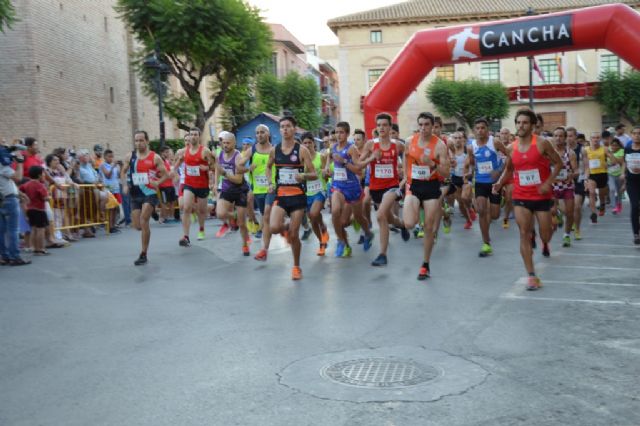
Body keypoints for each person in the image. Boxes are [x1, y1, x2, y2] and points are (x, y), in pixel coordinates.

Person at [493, 109, 563, 291]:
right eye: (518, 122)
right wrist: (500, 184)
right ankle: (531, 275)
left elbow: (559, 163)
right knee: (523, 233)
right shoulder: (512, 148)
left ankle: (548, 231)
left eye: (524, 123)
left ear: (532, 126)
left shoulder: (542, 144)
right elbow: (509, 170)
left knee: (546, 235)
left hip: (541, 196)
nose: (520, 126)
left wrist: (548, 182)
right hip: (521, 196)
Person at [266, 116, 317, 280]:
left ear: (294, 129)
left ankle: (296, 266)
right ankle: (287, 226)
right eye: (282, 127)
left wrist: (304, 176)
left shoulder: (302, 150)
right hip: (281, 195)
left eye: (288, 126)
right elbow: (268, 167)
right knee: (274, 227)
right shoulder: (275, 150)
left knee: (294, 235)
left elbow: (314, 174)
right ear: (279, 130)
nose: (285, 129)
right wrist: (269, 182)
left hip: (297, 197)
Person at [402, 112, 450, 280]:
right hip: (414, 185)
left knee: (429, 228)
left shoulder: (440, 146)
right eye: (420, 124)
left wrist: (432, 164)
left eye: (427, 125)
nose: (423, 128)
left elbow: (446, 172)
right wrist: (405, 178)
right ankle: (415, 220)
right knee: (408, 223)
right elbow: (405, 159)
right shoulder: (409, 141)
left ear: (432, 125)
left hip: (431, 187)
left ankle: (425, 264)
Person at [359, 113, 409, 266]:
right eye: (379, 125)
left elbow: (408, 156)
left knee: (380, 216)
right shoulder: (370, 145)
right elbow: (360, 164)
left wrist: (405, 174)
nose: (381, 128)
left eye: (384, 125)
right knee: (389, 217)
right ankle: (402, 225)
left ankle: (382, 255)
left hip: (392, 186)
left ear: (390, 127)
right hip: (375, 188)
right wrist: (372, 158)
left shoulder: (397, 145)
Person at [120, 130, 169, 265]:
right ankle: (152, 213)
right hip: (135, 193)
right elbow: (123, 172)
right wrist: (124, 185)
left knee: (143, 220)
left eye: (141, 140)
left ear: (147, 141)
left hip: (149, 192)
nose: (138, 143)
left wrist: (158, 182)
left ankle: (143, 254)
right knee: (137, 226)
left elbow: (166, 174)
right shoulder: (130, 156)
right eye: (136, 140)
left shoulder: (155, 157)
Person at [327, 121, 374, 258]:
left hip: (352, 188)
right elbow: (329, 162)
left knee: (359, 216)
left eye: (341, 132)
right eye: (337, 132)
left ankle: (368, 233)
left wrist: (344, 162)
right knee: (335, 212)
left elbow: (359, 170)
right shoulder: (333, 147)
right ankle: (341, 241)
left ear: (347, 134)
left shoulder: (351, 149)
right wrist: (326, 169)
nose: (339, 135)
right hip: (338, 186)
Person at [467, 117, 507, 257]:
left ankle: (500, 200)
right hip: (480, 182)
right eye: (477, 128)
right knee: (482, 211)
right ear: (474, 130)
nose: (480, 131)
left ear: (487, 129)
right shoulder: (471, 146)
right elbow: (472, 164)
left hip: (495, 183)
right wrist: (469, 175)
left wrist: (500, 171)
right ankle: (486, 243)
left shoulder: (494, 142)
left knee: (495, 216)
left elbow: (509, 157)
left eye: (483, 128)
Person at [174, 127, 216, 246]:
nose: (193, 137)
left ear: (199, 136)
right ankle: (186, 236)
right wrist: (173, 172)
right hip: (189, 184)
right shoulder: (183, 152)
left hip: (202, 185)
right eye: (191, 134)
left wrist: (207, 168)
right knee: (186, 208)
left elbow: (214, 166)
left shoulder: (205, 151)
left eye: (195, 134)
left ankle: (201, 229)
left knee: (201, 211)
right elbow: (176, 164)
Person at [0, 142, 30, 265]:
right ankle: (15, 257)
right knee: (13, 229)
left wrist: (20, 194)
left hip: (2, 199)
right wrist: (20, 162)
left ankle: (5, 256)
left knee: (2, 231)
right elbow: (18, 177)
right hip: (8, 200)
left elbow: (7, 184)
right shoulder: (3, 167)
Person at [300, 132, 330, 256]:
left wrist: (325, 174)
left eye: (309, 143)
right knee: (313, 219)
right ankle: (321, 242)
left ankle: (322, 227)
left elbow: (326, 175)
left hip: (320, 190)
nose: (307, 145)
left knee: (313, 214)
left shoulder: (320, 156)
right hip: (307, 192)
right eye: (305, 143)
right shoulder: (301, 160)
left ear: (314, 144)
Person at [250, 124, 275, 261]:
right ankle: (283, 227)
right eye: (257, 132)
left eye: (262, 132)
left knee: (266, 217)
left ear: (268, 134)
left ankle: (264, 250)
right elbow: (239, 166)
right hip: (258, 189)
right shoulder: (252, 149)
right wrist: (249, 167)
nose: (259, 135)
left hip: (272, 188)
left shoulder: (275, 149)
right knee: (268, 220)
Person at [550, 127, 578, 248]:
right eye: (555, 136)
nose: (558, 138)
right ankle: (558, 215)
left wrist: (571, 175)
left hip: (567, 186)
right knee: (552, 210)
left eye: (561, 136)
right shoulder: (549, 153)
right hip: (552, 186)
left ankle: (566, 235)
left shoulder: (570, 153)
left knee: (570, 213)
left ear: (565, 138)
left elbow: (577, 170)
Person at [584, 131, 615, 223]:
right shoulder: (585, 150)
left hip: (602, 174)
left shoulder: (604, 149)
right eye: (594, 138)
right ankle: (593, 213)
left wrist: (608, 164)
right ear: (590, 139)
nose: (596, 140)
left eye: (598, 138)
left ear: (600, 139)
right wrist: (586, 178)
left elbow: (613, 161)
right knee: (592, 193)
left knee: (602, 194)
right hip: (592, 174)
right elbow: (585, 165)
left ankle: (602, 204)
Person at [19, 166, 50, 256]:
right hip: (39, 209)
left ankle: (34, 247)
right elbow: (45, 198)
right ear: (39, 175)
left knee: (33, 229)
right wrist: (48, 196)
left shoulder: (27, 184)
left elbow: (20, 190)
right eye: (43, 173)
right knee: (40, 229)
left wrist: (25, 197)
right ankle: (40, 248)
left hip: (30, 209)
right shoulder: (39, 185)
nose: (44, 175)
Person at [624, 126, 640, 244]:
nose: (637, 136)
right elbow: (625, 163)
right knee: (634, 206)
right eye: (634, 133)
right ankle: (636, 233)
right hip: (632, 182)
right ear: (631, 135)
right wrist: (622, 174)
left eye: (639, 134)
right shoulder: (628, 148)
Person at [158, 146, 179, 224]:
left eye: (168, 152)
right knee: (165, 202)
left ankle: (171, 217)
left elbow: (171, 172)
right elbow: (159, 174)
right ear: (162, 153)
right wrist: (167, 175)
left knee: (172, 202)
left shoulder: (167, 161)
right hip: (163, 186)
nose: (167, 154)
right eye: (166, 152)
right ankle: (162, 218)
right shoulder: (160, 162)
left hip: (170, 185)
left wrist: (172, 175)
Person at [607, 138, 626, 215]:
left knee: (619, 192)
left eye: (616, 145)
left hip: (619, 174)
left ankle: (619, 204)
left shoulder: (621, 151)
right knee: (612, 189)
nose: (614, 147)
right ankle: (614, 206)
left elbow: (620, 162)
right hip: (610, 174)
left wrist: (611, 155)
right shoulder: (608, 150)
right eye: (612, 145)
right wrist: (608, 164)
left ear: (618, 146)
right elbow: (607, 161)